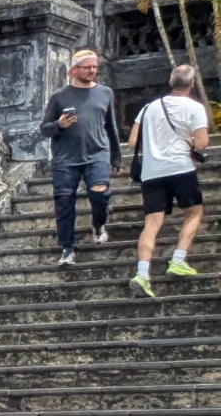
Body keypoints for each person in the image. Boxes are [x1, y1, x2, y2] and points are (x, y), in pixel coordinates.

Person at [127, 62, 210, 297]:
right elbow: (202, 143)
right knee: (193, 212)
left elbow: (133, 141)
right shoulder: (194, 108)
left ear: (170, 82)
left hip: (152, 172)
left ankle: (142, 274)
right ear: (192, 84)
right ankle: (178, 259)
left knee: (152, 223)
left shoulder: (150, 108)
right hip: (181, 168)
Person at [41, 49, 116, 266]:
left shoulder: (105, 93)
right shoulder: (59, 97)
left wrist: (116, 158)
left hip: (97, 153)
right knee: (64, 203)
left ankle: (99, 223)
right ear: (74, 70)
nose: (92, 70)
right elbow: (44, 129)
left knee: (99, 194)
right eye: (88, 67)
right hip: (65, 159)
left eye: (95, 67)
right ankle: (66, 248)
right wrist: (59, 125)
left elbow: (110, 127)